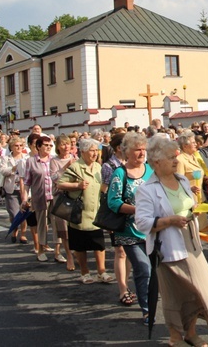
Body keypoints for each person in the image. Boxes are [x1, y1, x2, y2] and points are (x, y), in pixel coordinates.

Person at [136, 135, 208, 347]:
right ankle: (175, 338)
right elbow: (142, 223)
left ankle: (190, 333)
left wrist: (194, 206)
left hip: (191, 242)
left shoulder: (182, 180)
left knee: (195, 291)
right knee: (175, 295)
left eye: (176, 156)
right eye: (170, 158)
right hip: (167, 248)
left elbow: (189, 206)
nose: (175, 161)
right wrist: (168, 221)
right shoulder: (146, 189)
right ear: (155, 162)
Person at [56, 138, 114, 283]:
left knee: (99, 244)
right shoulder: (76, 167)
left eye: (96, 150)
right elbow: (60, 184)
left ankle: (101, 272)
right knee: (80, 246)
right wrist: (77, 185)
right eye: (92, 150)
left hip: (95, 212)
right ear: (82, 152)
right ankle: (85, 272)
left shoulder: (98, 167)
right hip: (79, 213)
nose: (95, 154)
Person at [107, 132, 151, 320]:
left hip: (152, 230)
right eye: (137, 150)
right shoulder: (120, 173)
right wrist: (136, 209)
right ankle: (147, 309)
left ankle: (151, 300)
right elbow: (113, 202)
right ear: (126, 152)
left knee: (155, 270)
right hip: (129, 232)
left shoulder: (151, 170)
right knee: (143, 268)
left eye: (143, 149)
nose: (142, 153)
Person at [21, 135, 57, 261]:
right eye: (46, 145)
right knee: (41, 225)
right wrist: (25, 199)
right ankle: (40, 250)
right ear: (38, 146)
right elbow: (27, 182)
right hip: (40, 196)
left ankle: (58, 251)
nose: (48, 148)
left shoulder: (53, 159)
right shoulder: (31, 161)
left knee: (57, 224)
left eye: (50, 145)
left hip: (55, 196)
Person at [176, 130, 208, 228]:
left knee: (202, 231)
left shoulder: (194, 157)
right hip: (189, 202)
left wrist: (204, 179)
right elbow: (178, 182)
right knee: (194, 232)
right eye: (193, 142)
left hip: (200, 199)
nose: (196, 144)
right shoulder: (180, 160)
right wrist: (190, 188)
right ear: (185, 146)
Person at [50, 134, 75, 269]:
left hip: (75, 196)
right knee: (64, 228)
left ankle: (76, 250)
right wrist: (65, 169)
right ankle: (69, 255)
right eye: (63, 144)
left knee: (75, 226)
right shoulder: (54, 161)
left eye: (68, 144)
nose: (66, 147)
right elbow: (55, 178)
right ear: (58, 147)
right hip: (61, 197)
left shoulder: (75, 159)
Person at [0, 136, 27, 243]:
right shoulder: (6, 158)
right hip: (11, 188)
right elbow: (2, 171)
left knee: (24, 212)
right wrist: (13, 168)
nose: (19, 147)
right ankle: (15, 229)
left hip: (24, 188)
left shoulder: (26, 157)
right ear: (11, 147)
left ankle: (23, 234)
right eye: (16, 146)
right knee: (14, 213)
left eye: (21, 145)